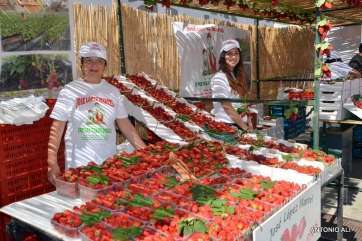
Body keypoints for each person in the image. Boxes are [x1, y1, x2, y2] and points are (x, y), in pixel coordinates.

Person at [47, 42, 146, 184]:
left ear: (104, 65)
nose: (94, 65)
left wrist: (145, 151)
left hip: (108, 166)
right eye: (88, 60)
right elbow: (57, 128)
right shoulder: (69, 91)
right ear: (82, 64)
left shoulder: (113, 92)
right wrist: (52, 161)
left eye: (99, 61)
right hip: (79, 166)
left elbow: (126, 126)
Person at [211, 39, 252, 131]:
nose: (233, 57)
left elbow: (242, 103)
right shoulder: (219, 78)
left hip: (239, 124)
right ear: (223, 57)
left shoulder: (237, 76)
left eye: (236, 53)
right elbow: (227, 106)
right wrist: (245, 127)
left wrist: (249, 122)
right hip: (227, 126)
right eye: (229, 53)